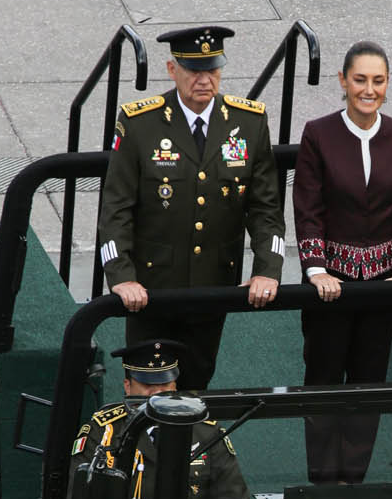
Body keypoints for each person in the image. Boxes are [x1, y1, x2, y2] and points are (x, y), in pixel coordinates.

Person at [98, 26, 286, 389]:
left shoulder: (248, 123)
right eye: (194, 71)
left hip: (212, 287)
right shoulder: (140, 124)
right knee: (149, 388)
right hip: (152, 291)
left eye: (212, 71)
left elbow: (266, 209)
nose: (204, 80)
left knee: (196, 389)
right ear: (172, 70)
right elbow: (115, 210)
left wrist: (268, 269)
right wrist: (122, 277)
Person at [292, 40, 392, 484]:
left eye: (378, 81)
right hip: (331, 285)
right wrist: (316, 270)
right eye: (360, 80)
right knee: (324, 379)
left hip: (382, 285)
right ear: (343, 81)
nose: (369, 90)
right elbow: (308, 209)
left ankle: (354, 480)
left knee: (369, 385)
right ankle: (320, 478)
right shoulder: (318, 133)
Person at [68, 340, 250, 499]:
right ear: (127, 387)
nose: (156, 393)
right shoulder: (103, 432)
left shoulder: (205, 431)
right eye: (147, 385)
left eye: (164, 384)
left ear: (175, 384)